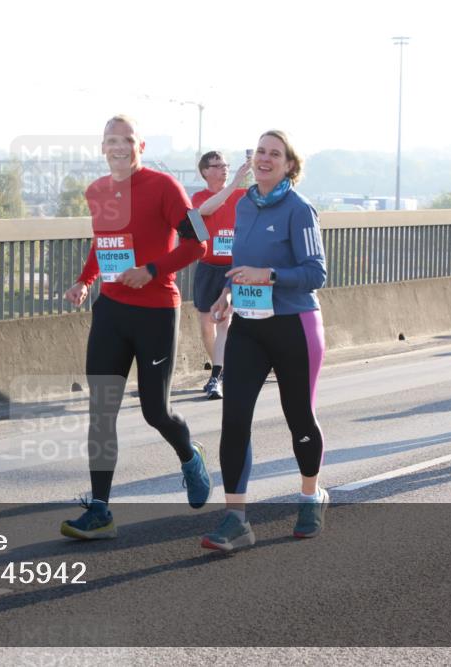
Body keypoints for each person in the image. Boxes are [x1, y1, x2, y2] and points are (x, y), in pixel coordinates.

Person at [59, 115, 211, 540]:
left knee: (154, 410)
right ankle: (101, 509)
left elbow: (197, 243)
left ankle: (189, 454)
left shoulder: (164, 187)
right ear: (102, 147)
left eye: (126, 140)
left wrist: (152, 269)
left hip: (156, 311)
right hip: (111, 310)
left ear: (139, 145)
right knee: (100, 409)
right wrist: (85, 281)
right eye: (111, 141)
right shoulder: (98, 191)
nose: (119, 147)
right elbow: (103, 243)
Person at [202, 129, 328, 552]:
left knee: (299, 417)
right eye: (260, 151)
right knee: (234, 418)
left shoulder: (299, 209)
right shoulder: (244, 205)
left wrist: (270, 276)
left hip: (295, 325)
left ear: (290, 165)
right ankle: (235, 519)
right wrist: (226, 292)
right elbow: (241, 261)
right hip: (249, 327)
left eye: (275, 154)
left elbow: (316, 274)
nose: (265, 158)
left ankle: (310, 497)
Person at [190, 151, 251, 399]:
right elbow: (204, 212)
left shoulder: (242, 196)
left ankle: (216, 375)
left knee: (224, 320)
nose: (224, 169)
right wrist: (237, 180)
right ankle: (220, 369)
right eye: (217, 166)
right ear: (205, 171)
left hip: (232, 268)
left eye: (226, 165)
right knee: (207, 324)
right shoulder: (198, 197)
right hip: (207, 266)